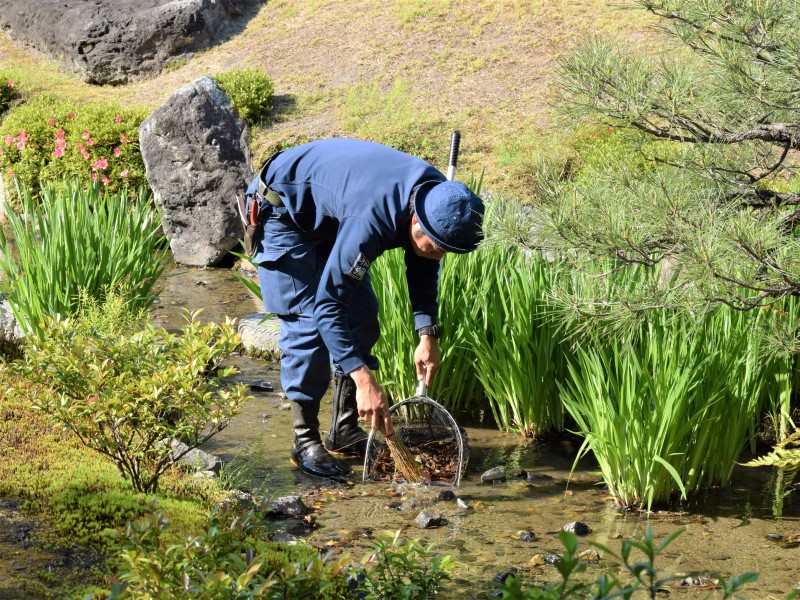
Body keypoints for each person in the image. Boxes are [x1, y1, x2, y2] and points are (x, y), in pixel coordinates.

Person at [243, 137, 484, 480]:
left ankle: (342, 430)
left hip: (332, 215)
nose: (438, 255)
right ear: (416, 222)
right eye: (435, 246)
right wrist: (362, 377)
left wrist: (427, 333)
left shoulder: (439, 199)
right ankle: (304, 440)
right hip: (282, 211)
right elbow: (328, 305)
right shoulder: (374, 218)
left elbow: (423, 263)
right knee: (308, 324)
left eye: (446, 251)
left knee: (363, 315)